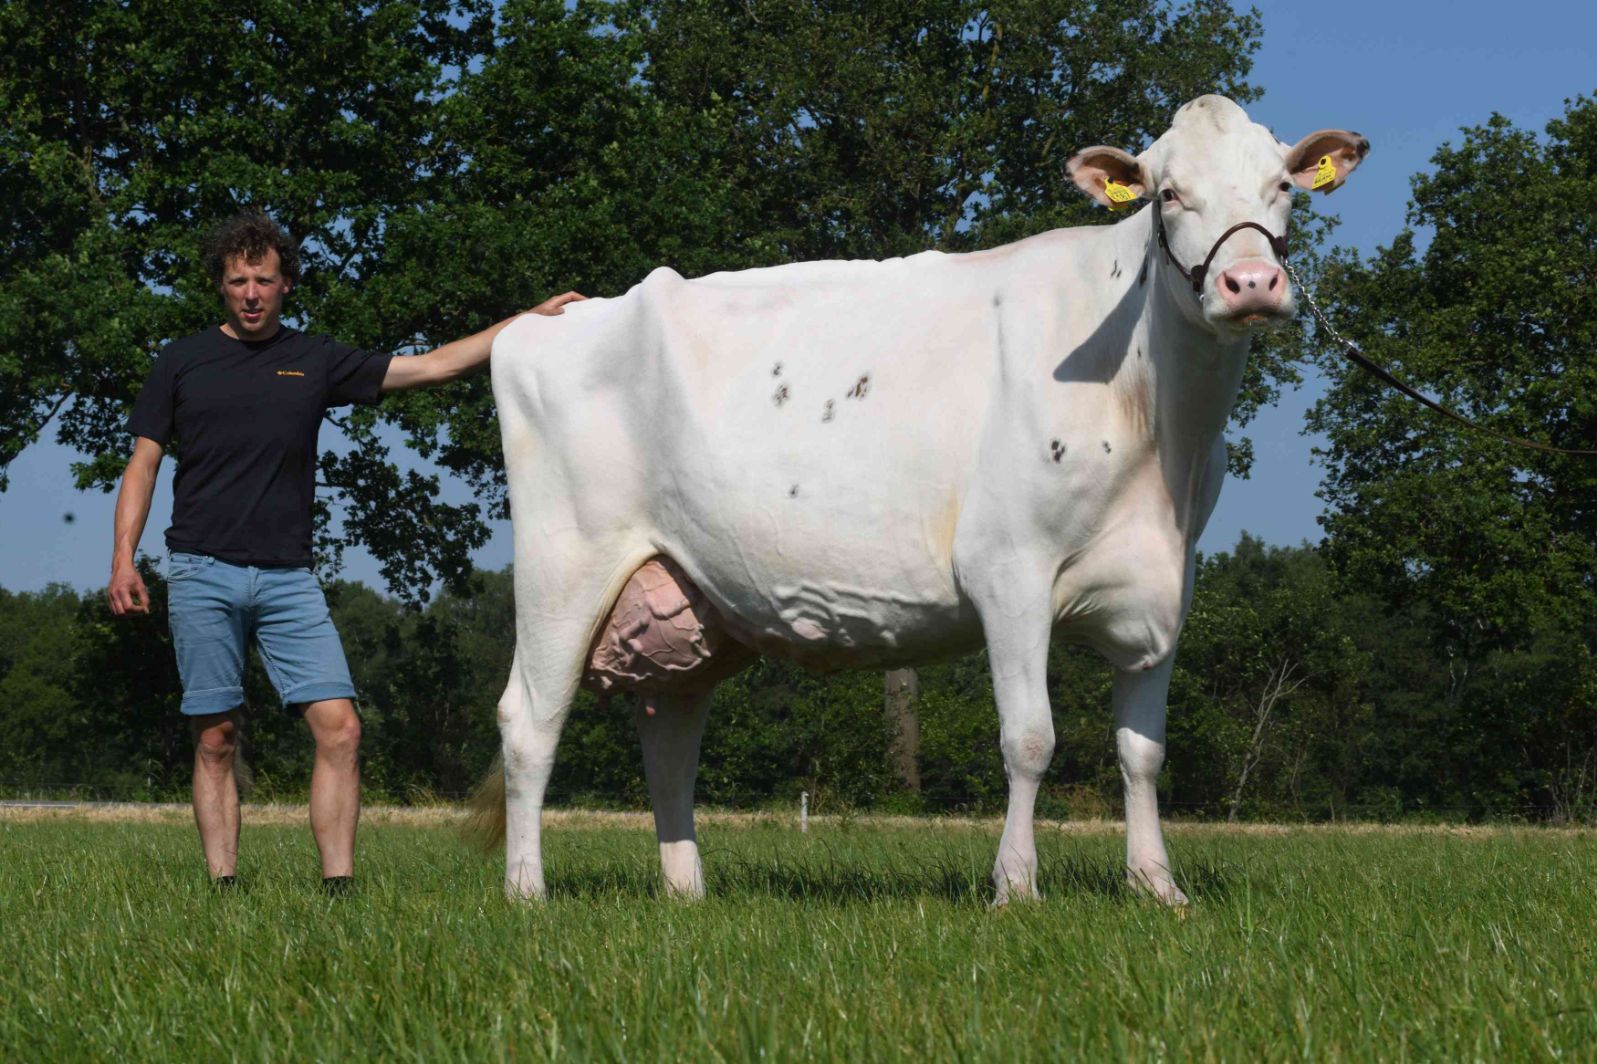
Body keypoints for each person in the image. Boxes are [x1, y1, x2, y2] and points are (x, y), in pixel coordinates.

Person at [106, 209, 583, 892]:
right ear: (220, 285)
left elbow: (432, 366)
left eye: (263, 280)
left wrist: (524, 322)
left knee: (342, 730)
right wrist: (124, 558)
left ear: (286, 285)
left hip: (289, 579)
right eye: (237, 281)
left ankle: (339, 890)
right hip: (201, 569)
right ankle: (223, 887)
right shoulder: (181, 361)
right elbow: (143, 463)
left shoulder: (316, 359)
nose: (250, 294)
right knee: (215, 738)